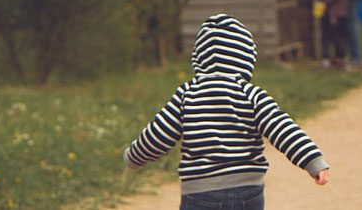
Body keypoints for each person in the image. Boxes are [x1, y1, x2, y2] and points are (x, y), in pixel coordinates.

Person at [123, 14, 329, 210]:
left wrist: (134, 157)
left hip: (201, 195)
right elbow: (282, 128)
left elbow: (158, 134)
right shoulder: (251, 95)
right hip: (248, 192)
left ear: (199, 56)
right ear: (246, 56)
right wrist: (313, 161)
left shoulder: (187, 95)